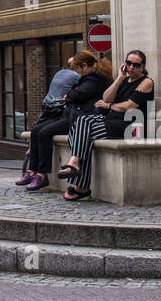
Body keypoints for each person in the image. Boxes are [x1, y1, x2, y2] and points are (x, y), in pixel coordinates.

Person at [56, 50, 155, 201]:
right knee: (81, 129)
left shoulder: (146, 82)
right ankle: (78, 177)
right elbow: (106, 97)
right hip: (113, 122)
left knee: (82, 126)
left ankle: (79, 179)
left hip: (131, 126)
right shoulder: (123, 80)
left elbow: (130, 106)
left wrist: (109, 106)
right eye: (128, 63)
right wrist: (120, 79)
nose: (131, 67)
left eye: (136, 65)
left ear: (143, 67)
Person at [21, 53, 110, 192]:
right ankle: (32, 170)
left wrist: (70, 95)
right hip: (69, 114)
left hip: (76, 118)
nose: (76, 72)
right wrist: (72, 95)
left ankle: (42, 174)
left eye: (77, 69)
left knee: (44, 133)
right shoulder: (88, 78)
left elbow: (77, 95)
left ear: (84, 66)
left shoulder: (94, 79)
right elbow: (75, 94)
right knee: (37, 130)